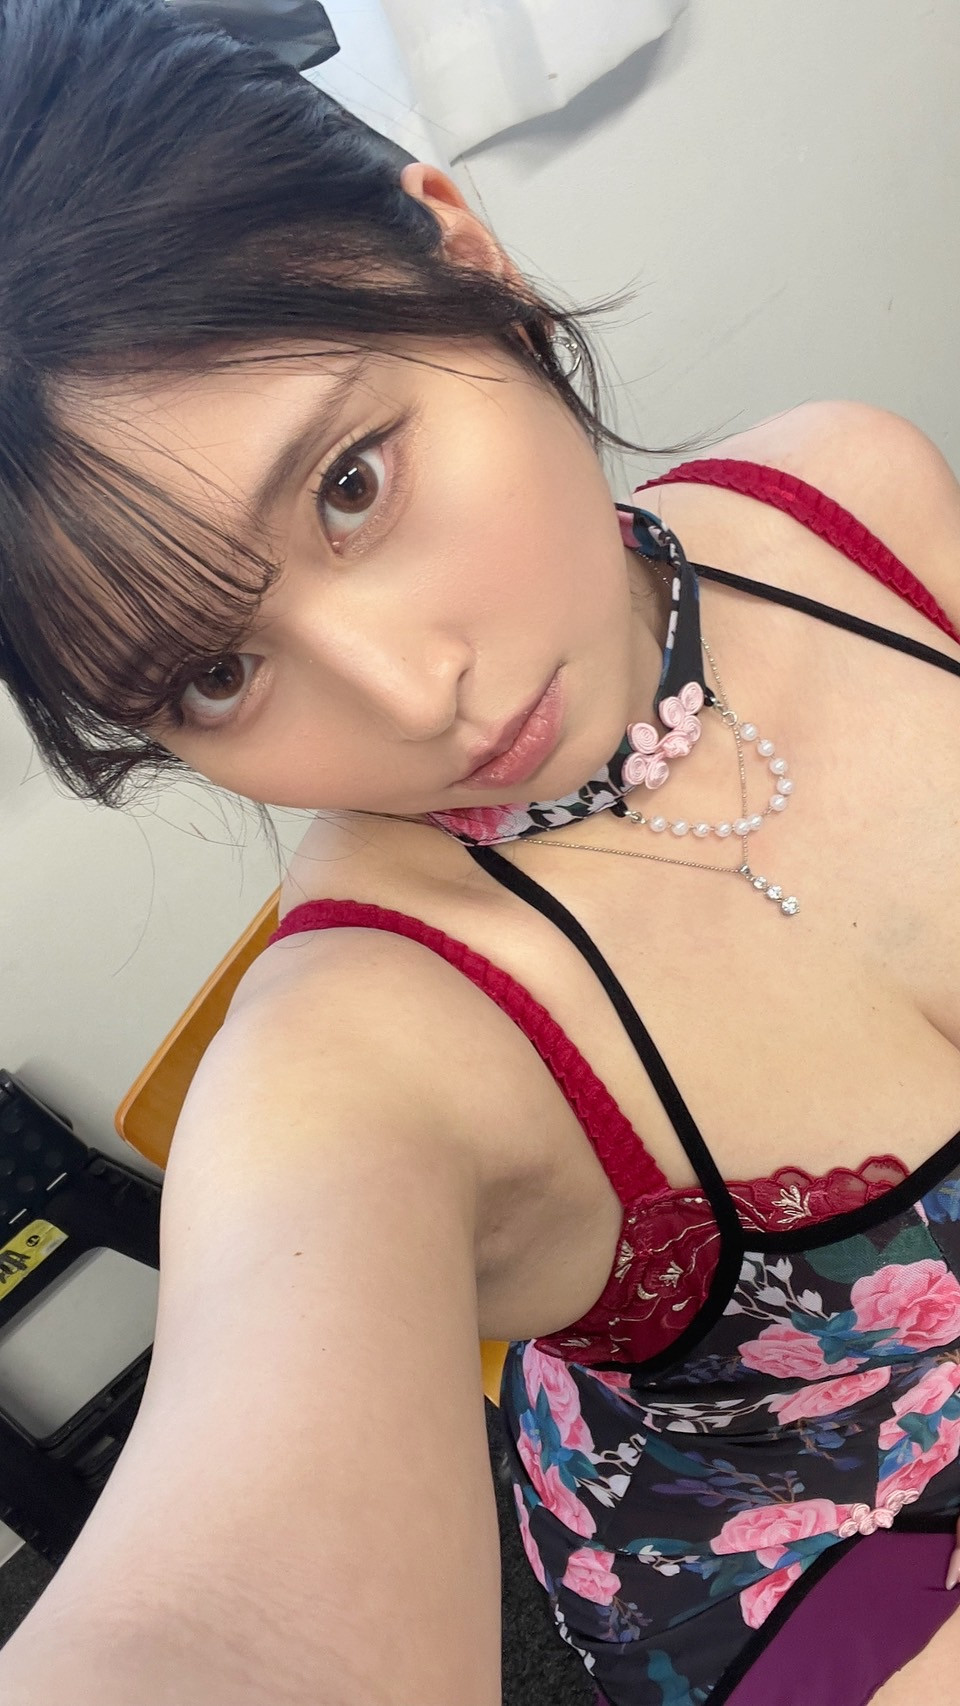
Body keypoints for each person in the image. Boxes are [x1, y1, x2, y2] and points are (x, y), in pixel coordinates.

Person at [0, 1, 959, 1702]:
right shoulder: (354, 1063)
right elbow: (216, 1617)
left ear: (462, 251)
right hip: (811, 1567)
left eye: (350, 485)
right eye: (212, 674)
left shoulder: (848, 492)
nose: (409, 693)